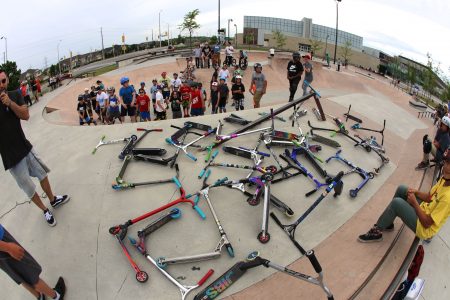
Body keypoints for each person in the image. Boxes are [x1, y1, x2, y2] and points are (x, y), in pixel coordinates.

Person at [0, 69, 70, 226]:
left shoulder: (15, 95)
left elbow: (25, 115)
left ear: (7, 81)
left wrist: (10, 103)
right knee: (29, 188)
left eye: (3, 81)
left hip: (25, 147)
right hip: (11, 158)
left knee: (42, 174)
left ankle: (53, 200)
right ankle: (45, 210)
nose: (1, 85)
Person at [358, 147, 450, 243]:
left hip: (425, 229)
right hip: (425, 209)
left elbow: (427, 223)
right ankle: (387, 222)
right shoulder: (444, 179)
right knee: (402, 189)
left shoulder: (447, 198)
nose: (447, 168)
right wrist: (416, 192)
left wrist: (414, 203)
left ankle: (376, 232)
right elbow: (429, 197)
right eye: (447, 163)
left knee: (396, 203)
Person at [0, 224, 66, 299]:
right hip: (2, 244)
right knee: (30, 274)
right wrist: (8, 248)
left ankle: (40, 296)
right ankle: (56, 296)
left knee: (20, 275)